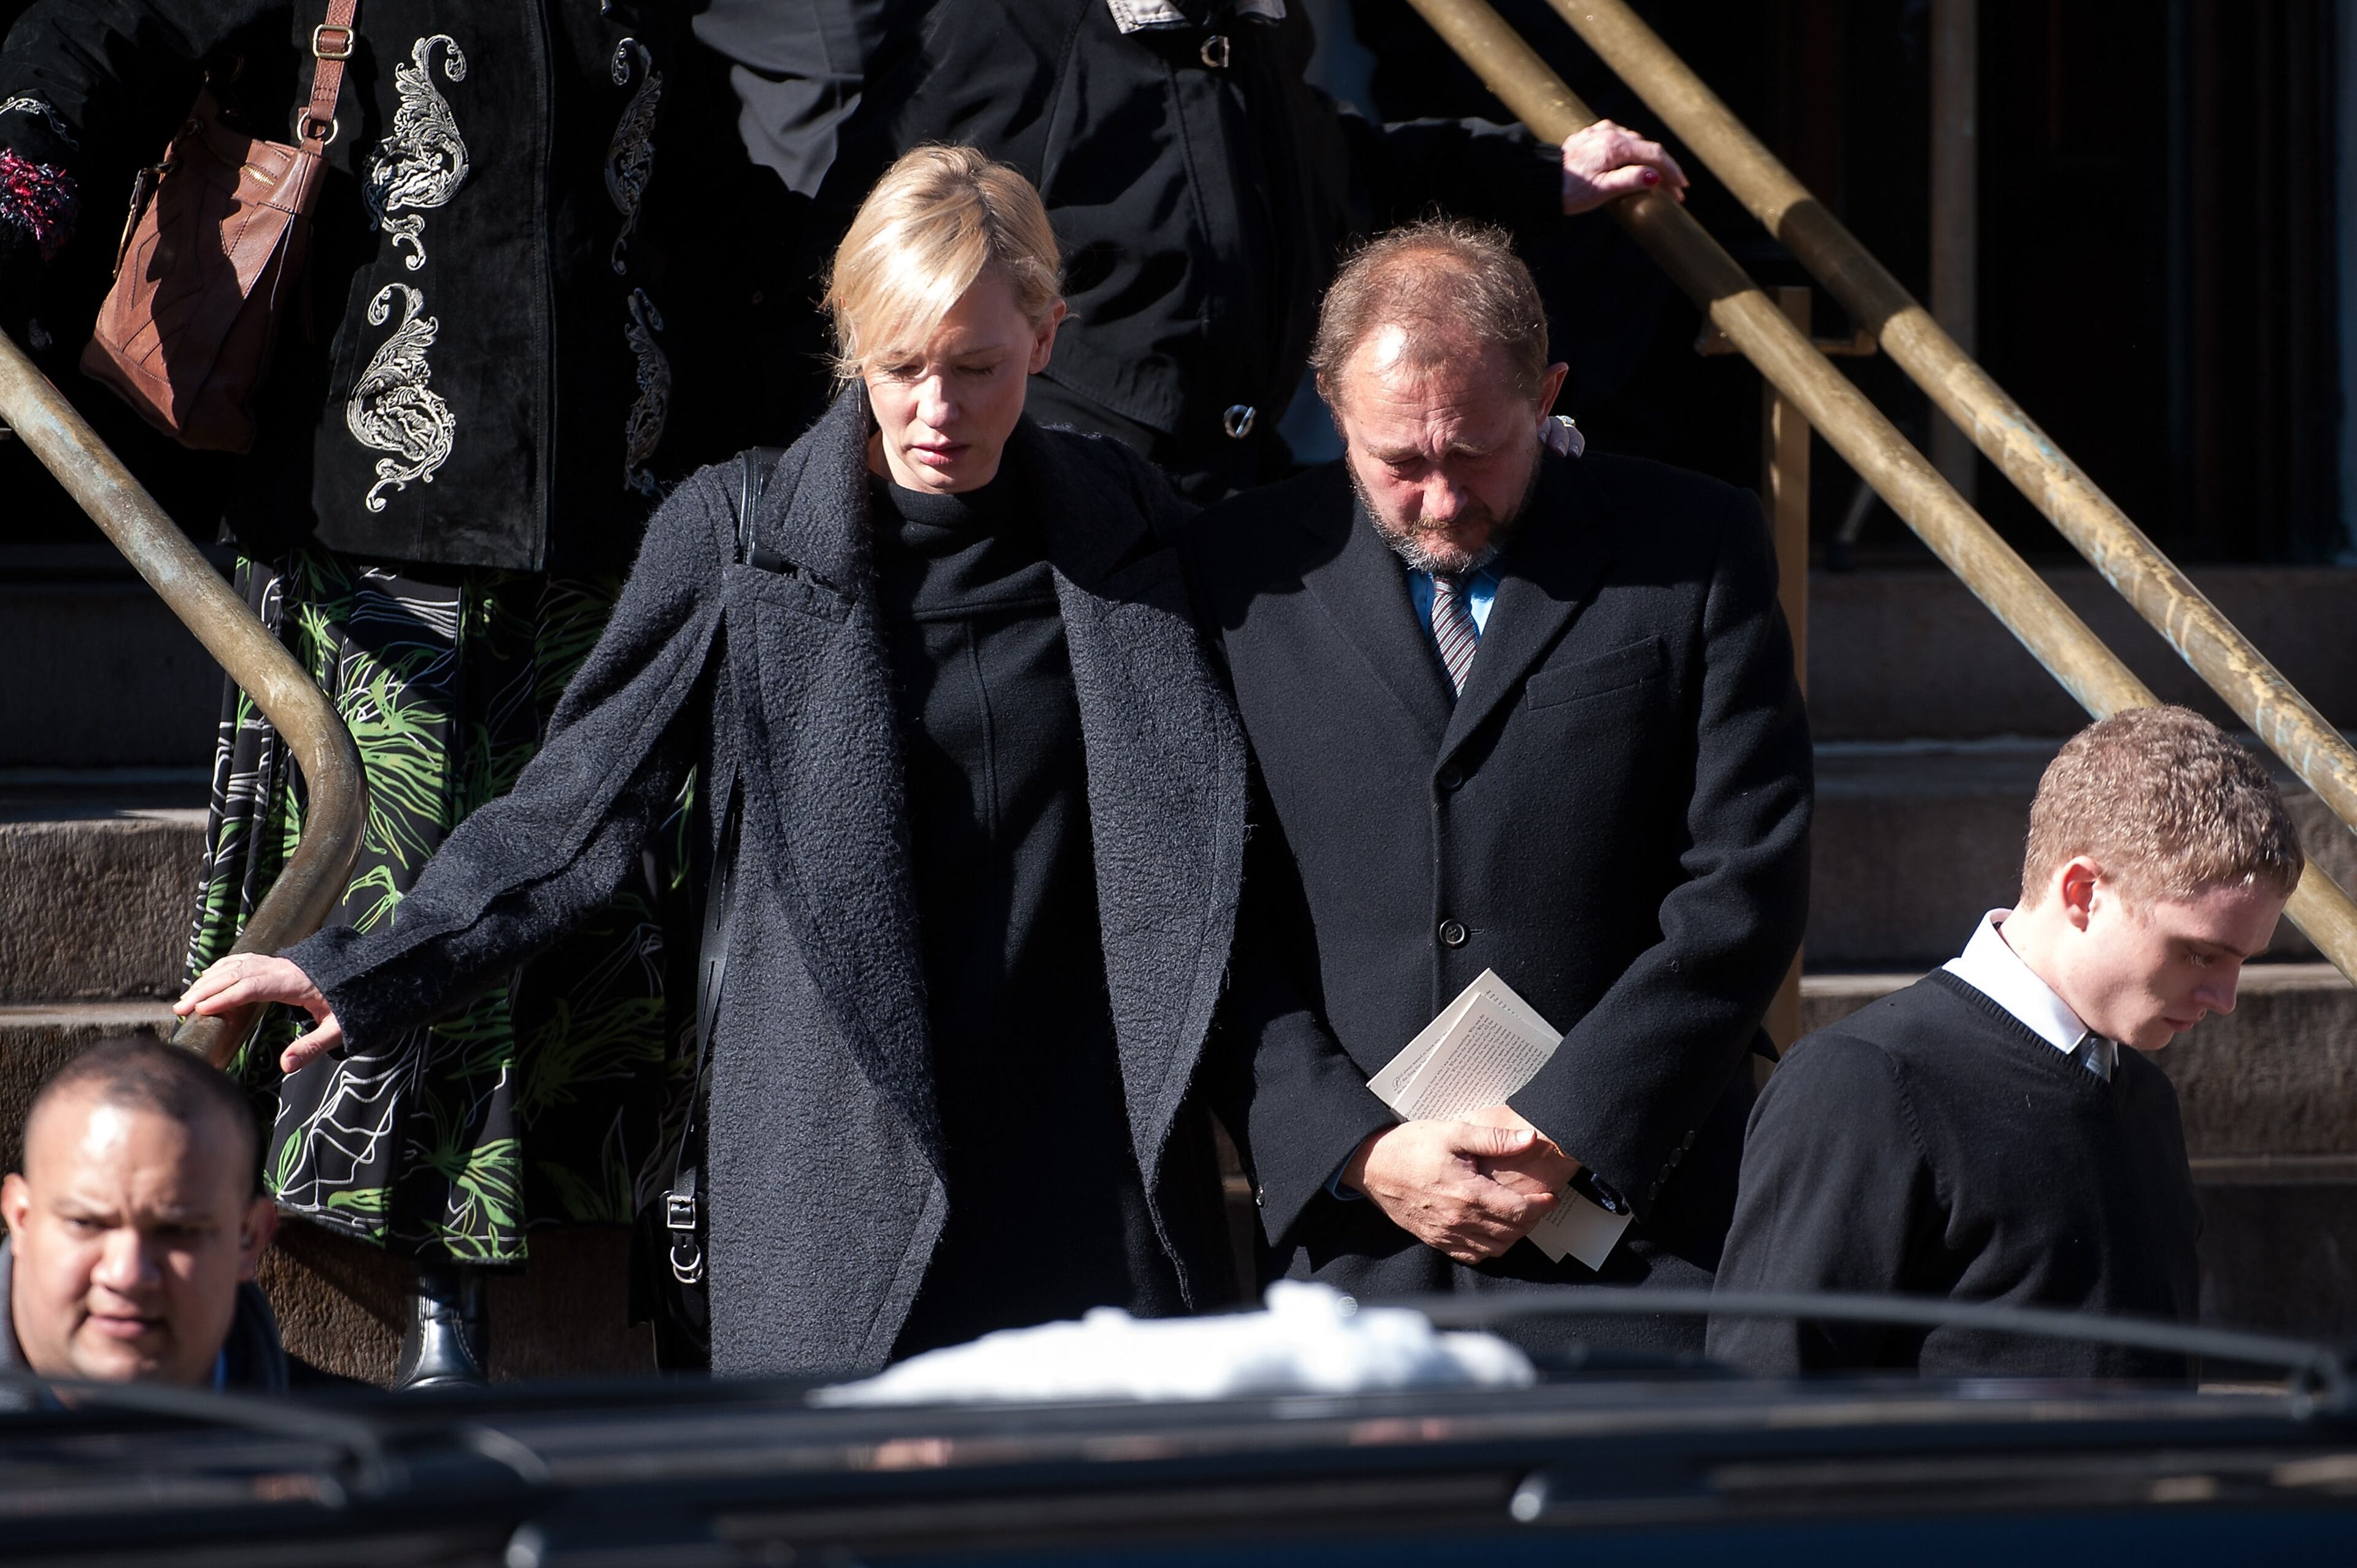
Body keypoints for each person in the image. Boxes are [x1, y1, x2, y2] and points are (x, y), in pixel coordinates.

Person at [180, 145, 1252, 1376]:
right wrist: (368, 967)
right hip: (838, 1155)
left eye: (979, 368)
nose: (937, 411)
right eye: (901, 368)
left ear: (1048, 339)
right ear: (850, 342)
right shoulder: (743, 533)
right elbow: (573, 810)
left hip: (1090, 1154)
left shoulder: (1130, 526)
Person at [0, 1, 754, 1385]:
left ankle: (596, 1275)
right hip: (380, 526)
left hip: (614, 519)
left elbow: (724, 173)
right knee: (387, 913)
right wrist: (23, 192)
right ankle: (405, 1303)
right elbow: (99, 33)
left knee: (578, 918)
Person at [1182, 220, 1811, 1353]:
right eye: (1399, 462)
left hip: (1638, 1233)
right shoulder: (1236, 572)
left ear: (1550, 392)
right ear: (1331, 404)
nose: (1436, 500)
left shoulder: (1695, 542)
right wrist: (1359, 1150)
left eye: (1474, 454)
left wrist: (1567, 1129)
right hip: (1359, 1247)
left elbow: (1745, 882)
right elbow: (1207, 915)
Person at [689, 0, 1689, 499]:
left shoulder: (1237, 28)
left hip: (1209, 509)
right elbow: (876, 248)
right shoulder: (1001, 32)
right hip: (1055, 521)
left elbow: (1318, 166)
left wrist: (1534, 174)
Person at [1708, 708, 2299, 1380]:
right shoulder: (1865, 1082)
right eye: (2199, 953)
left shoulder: (2144, 1096)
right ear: (2082, 892)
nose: (2225, 997)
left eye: (2243, 960)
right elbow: (1765, 1398)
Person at [3, 1037, 298, 1395]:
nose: (127, 1275)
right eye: (86, 1223)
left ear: (250, 1238)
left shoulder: (368, 1444)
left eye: (178, 1230)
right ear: (21, 1219)